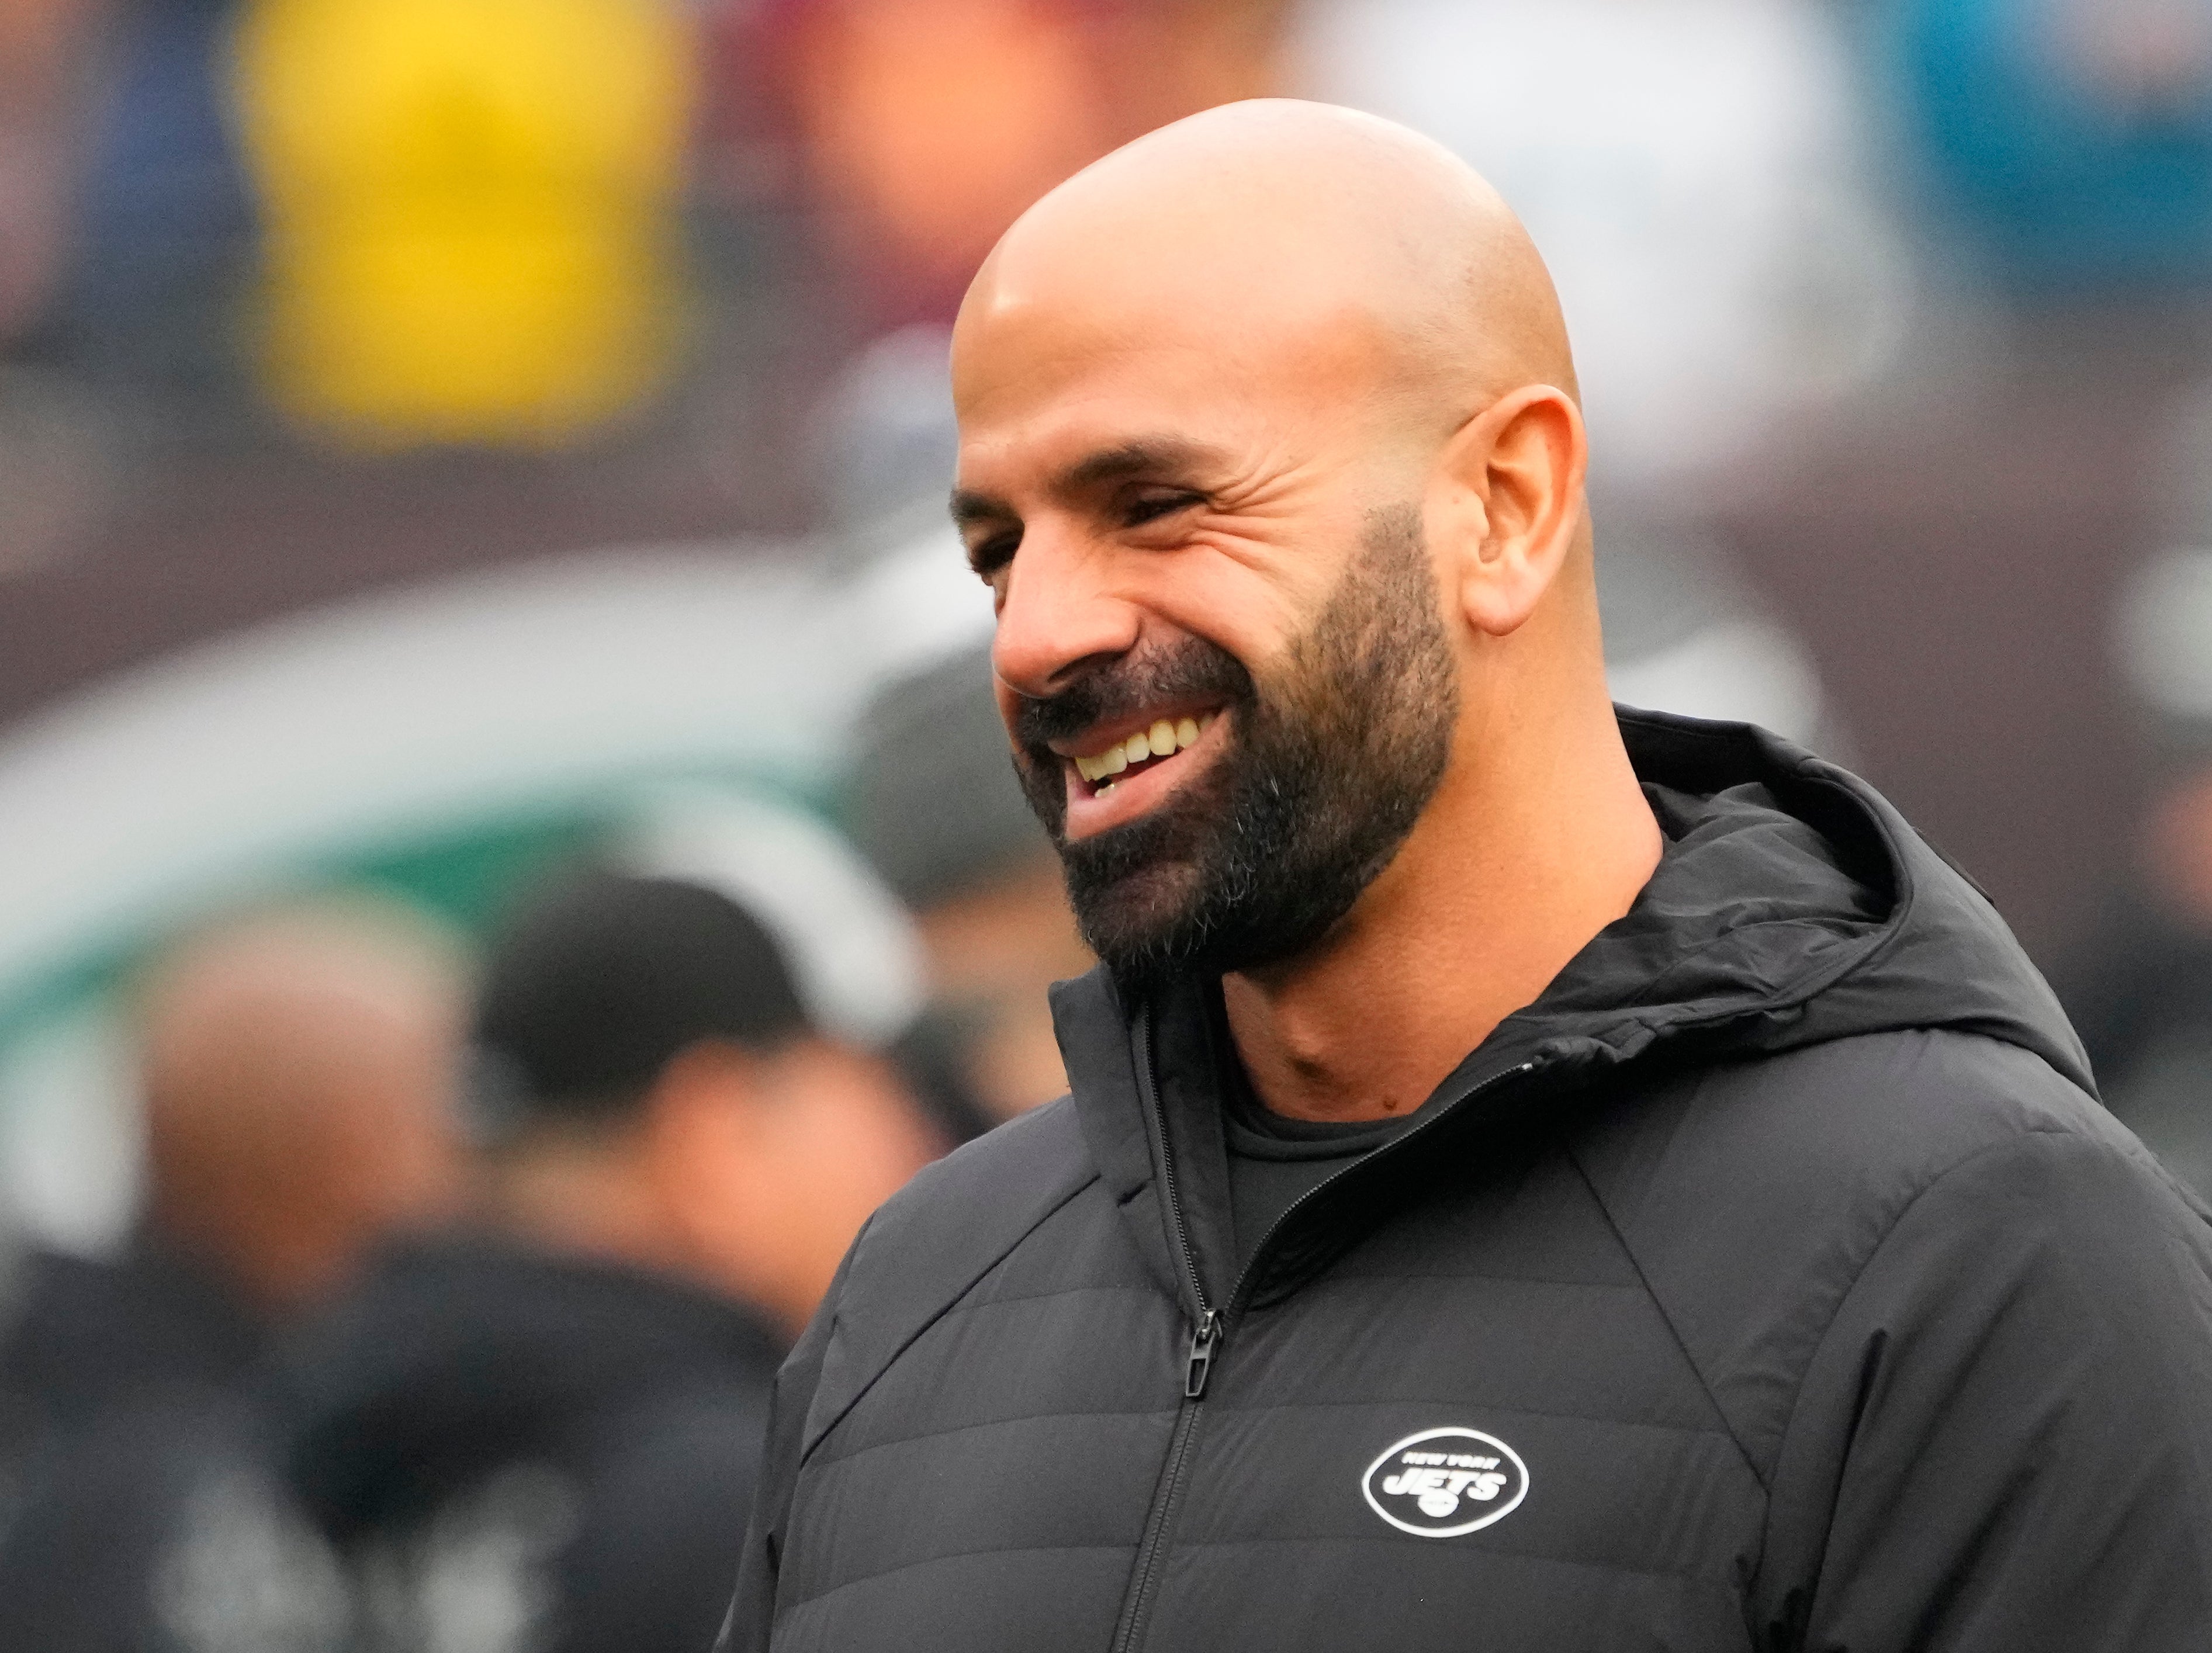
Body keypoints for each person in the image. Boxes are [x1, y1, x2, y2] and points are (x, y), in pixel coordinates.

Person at [727, 101, 2212, 1652]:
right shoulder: (915, 1299)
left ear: (1503, 508)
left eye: (1155, 503)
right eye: (997, 553)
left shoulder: (1983, 1254)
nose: (1034, 632)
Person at [284, 865, 942, 1653]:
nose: (917, 1138)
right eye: (869, 1084)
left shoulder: (289, 1476)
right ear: (717, 1137)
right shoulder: (759, 1508)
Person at [0, 899, 467, 1653]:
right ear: (348, 1149)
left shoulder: (79, 1403)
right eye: (449, 1122)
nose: (478, 1180)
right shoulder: (204, 1503)